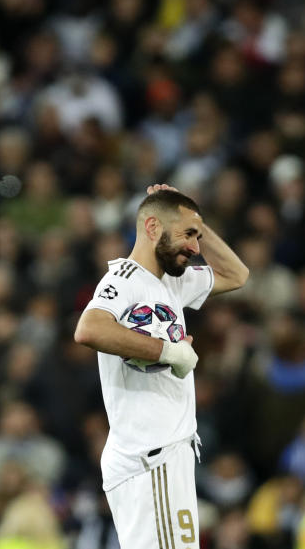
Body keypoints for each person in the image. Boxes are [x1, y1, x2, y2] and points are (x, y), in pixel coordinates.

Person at [74, 184, 249, 549]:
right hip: (150, 456)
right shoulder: (124, 280)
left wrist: (197, 222)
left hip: (167, 454)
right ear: (152, 228)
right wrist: (167, 352)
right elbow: (89, 329)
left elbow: (237, 275)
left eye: (197, 237)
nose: (196, 247)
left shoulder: (173, 283)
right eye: (187, 235)